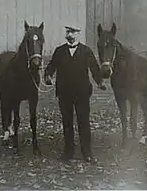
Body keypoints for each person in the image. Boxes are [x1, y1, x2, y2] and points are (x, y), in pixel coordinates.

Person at [44, 23, 106, 163]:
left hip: (82, 93)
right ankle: (68, 152)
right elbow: (51, 66)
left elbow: (94, 68)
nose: (70, 35)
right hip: (64, 93)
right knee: (67, 123)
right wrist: (48, 76)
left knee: (83, 122)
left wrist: (100, 82)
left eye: (73, 32)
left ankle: (87, 153)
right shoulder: (59, 51)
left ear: (78, 34)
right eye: (68, 32)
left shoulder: (86, 51)